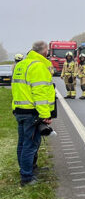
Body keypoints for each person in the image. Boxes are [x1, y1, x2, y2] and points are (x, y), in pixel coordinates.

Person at [11, 41, 55, 187]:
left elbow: (16, 89)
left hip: (20, 110)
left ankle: (28, 169)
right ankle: (26, 177)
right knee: (30, 145)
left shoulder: (21, 64)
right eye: (47, 50)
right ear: (44, 51)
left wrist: (14, 108)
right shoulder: (38, 66)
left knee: (22, 143)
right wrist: (45, 114)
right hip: (31, 112)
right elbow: (39, 93)